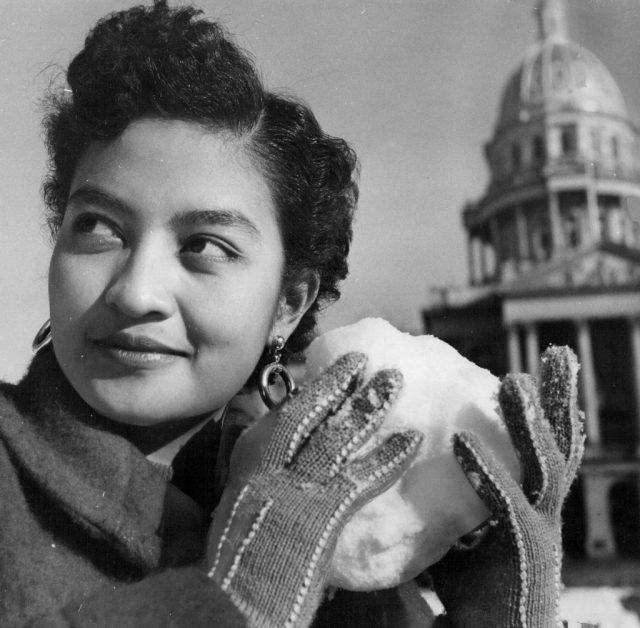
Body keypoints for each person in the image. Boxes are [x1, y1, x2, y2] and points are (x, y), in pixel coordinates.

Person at [0, 2, 584, 627]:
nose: (137, 292)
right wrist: (231, 607)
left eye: (203, 246)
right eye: (97, 227)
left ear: (289, 302)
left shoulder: (354, 551)